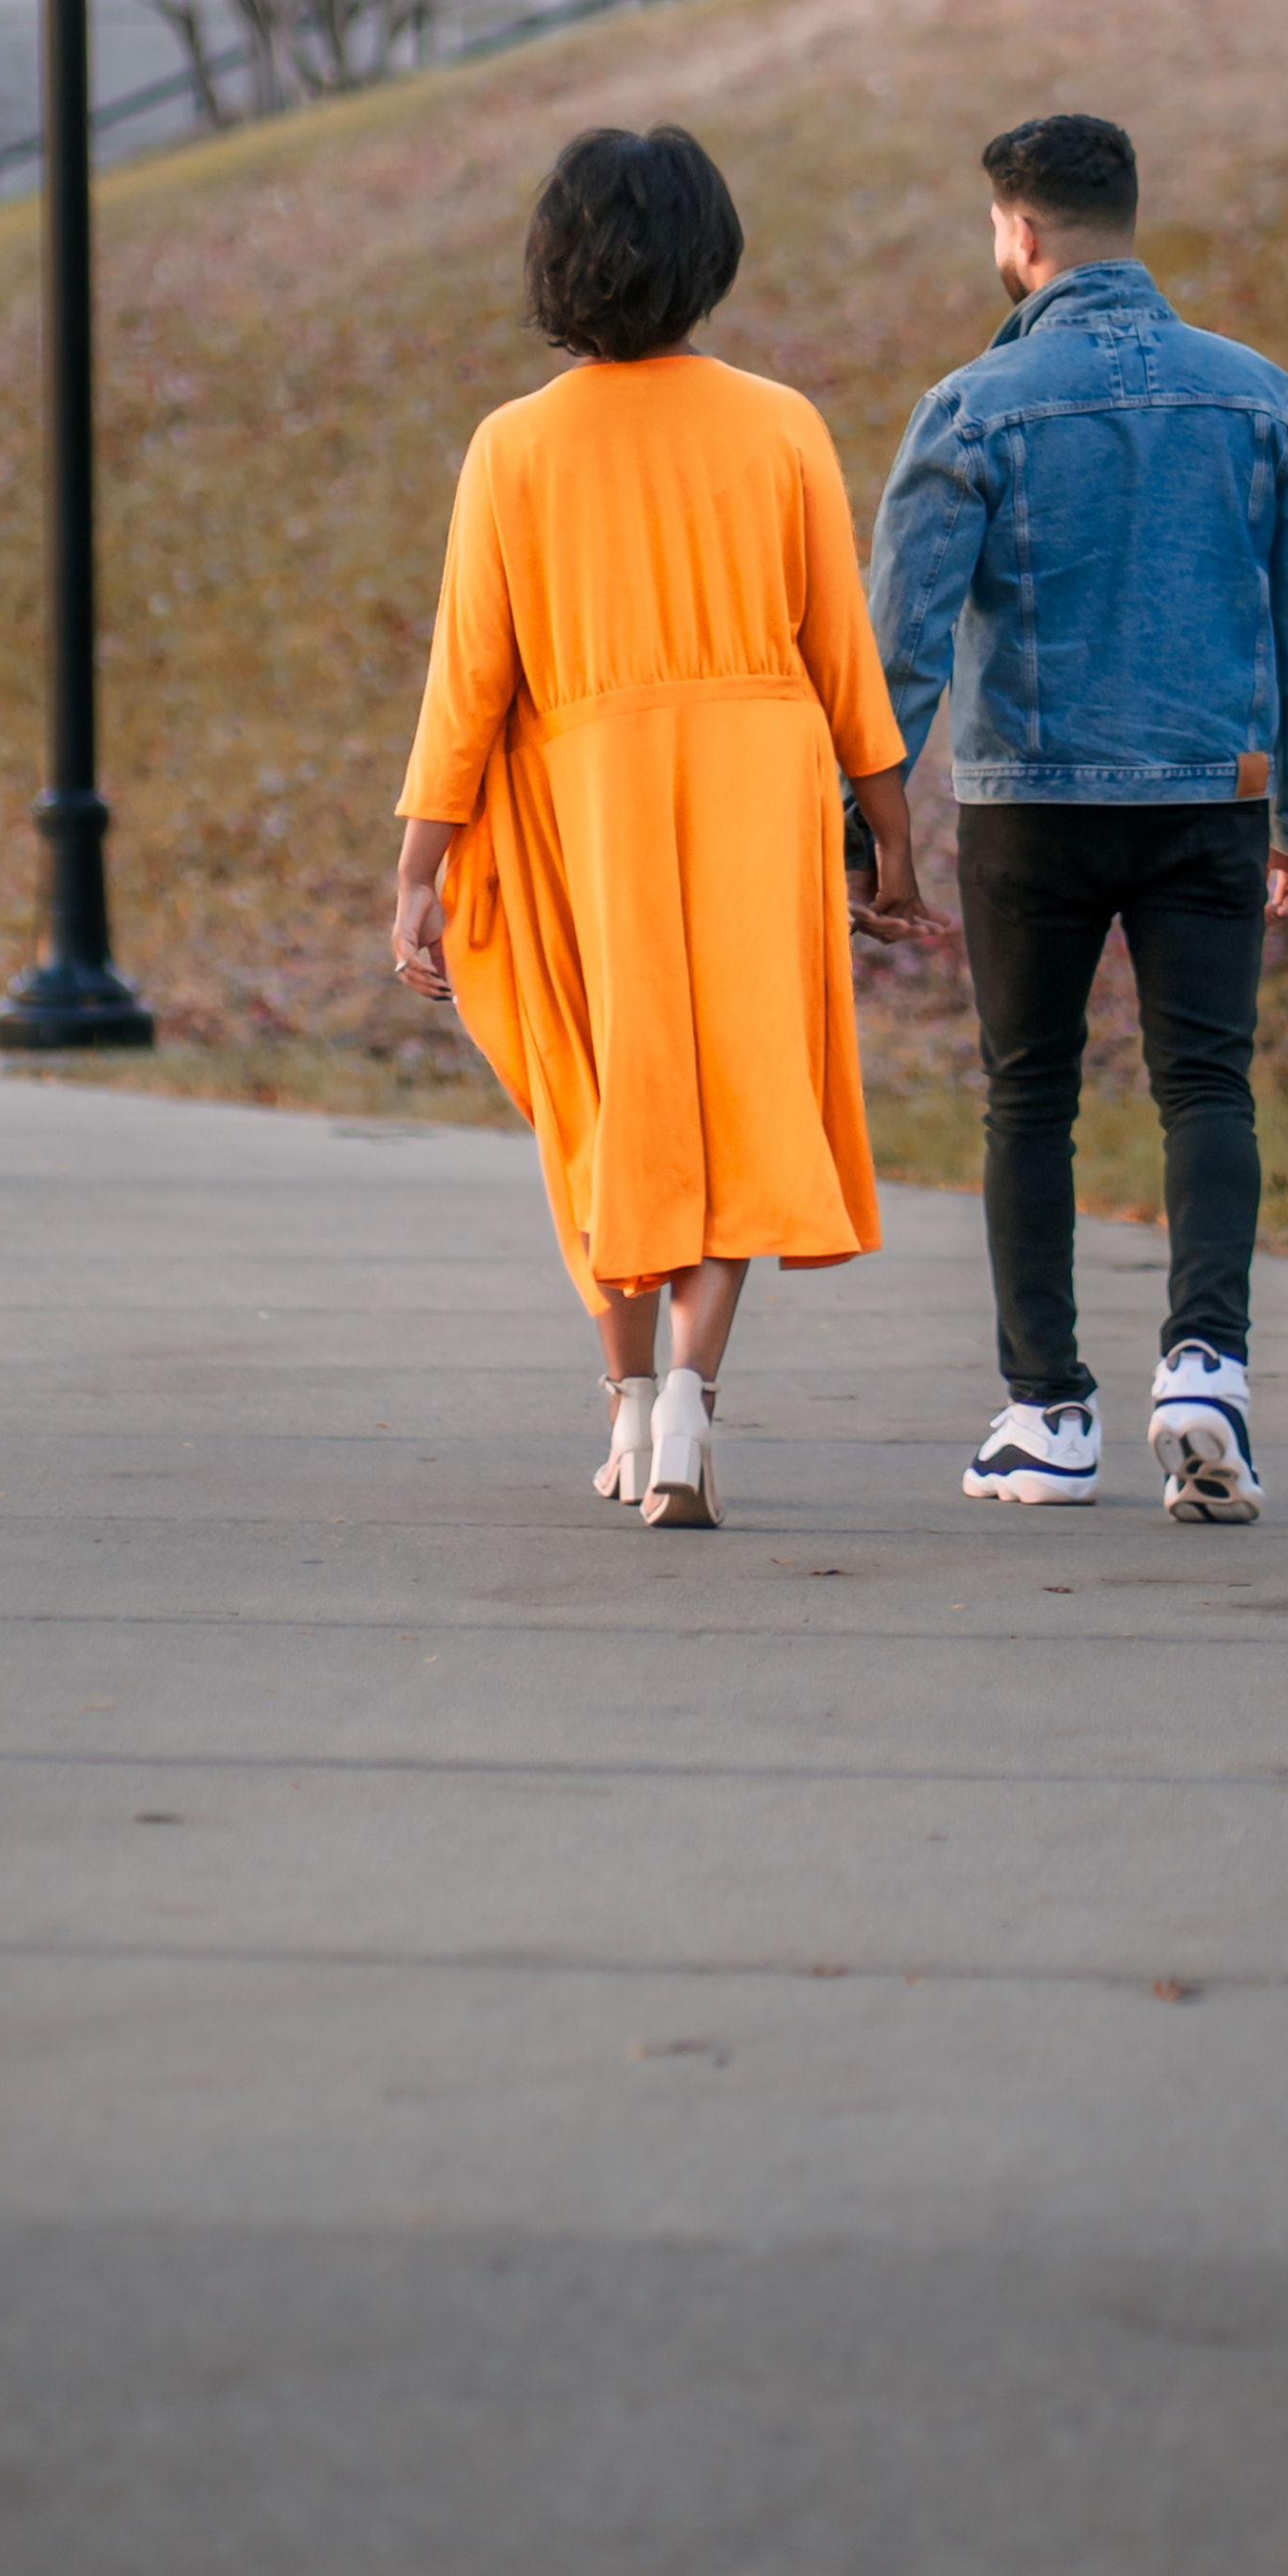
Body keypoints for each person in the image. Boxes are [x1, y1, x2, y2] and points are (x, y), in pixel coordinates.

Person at [391, 123, 944, 1528]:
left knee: (608, 1092)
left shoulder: (513, 445)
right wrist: (890, 848)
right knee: (737, 1088)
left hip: (588, 793)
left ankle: (631, 1407)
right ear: (708, 258)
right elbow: (844, 661)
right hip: (760, 781)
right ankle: (693, 1403)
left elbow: (469, 679)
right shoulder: (779, 422)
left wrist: (416, 870)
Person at [864, 111, 1288, 1523]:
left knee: (1031, 1095)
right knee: (1206, 1083)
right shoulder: (1258, 395)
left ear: (1016, 233)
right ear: (1126, 216)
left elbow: (901, 640)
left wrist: (868, 830)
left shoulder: (969, 407)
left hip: (1029, 806)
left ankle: (1047, 1415)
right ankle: (1206, 1370)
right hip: (1210, 797)